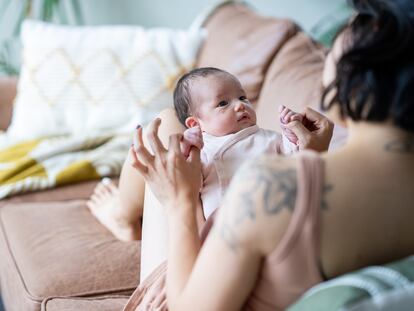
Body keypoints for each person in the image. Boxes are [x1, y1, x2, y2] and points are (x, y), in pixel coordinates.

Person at [123, 0, 414, 309]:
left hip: (184, 292)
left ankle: (122, 213)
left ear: (362, 75)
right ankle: (121, 213)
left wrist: (180, 201)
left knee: (165, 123)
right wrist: (311, 158)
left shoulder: (267, 188)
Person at [174, 67, 302, 219]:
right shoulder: (204, 149)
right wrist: (186, 148)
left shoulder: (269, 138)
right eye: (222, 103)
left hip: (273, 214)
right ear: (196, 124)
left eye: (242, 97)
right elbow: (186, 182)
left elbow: (297, 161)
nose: (240, 105)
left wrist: (292, 135)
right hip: (223, 227)